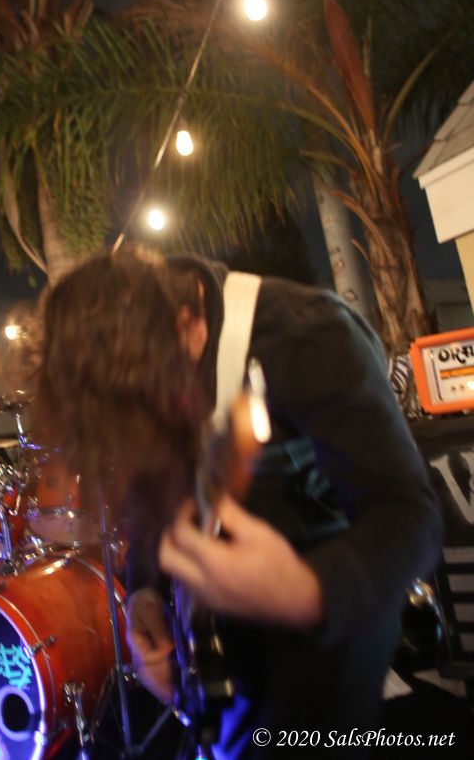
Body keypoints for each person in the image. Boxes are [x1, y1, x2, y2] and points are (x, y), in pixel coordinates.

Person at [30, 244, 442, 758]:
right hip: (217, 644)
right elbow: (149, 489)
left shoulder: (309, 335)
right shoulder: (139, 359)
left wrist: (307, 590)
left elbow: (412, 517)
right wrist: (144, 595)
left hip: (326, 632)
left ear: (186, 320)